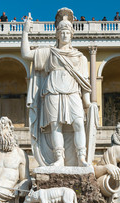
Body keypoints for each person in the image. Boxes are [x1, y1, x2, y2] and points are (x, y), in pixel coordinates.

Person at [21, 8, 94, 167]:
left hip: (73, 91)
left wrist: (87, 102)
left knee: (79, 124)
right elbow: (26, 54)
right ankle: (59, 158)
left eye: (67, 32)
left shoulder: (80, 57)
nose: (64, 35)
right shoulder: (49, 52)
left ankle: (81, 158)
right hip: (52, 91)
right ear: (57, 34)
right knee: (55, 126)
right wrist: (25, 31)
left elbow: (84, 82)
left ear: (72, 34)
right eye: (61, 32)